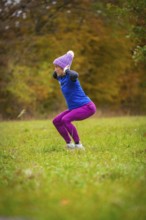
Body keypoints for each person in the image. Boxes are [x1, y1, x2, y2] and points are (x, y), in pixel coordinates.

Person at [52, 50, 96, 150]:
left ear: (63, 68)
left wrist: (66, 69)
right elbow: (54, 75)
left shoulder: (71, 77)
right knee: (56, 121)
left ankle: (78, 145)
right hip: (74, 108)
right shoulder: (61, 78)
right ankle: (69, 144)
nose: (55, 69)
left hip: (86, 107)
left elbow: (75, 75)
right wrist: (68, 57)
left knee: (65, 119)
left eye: (56, 67)